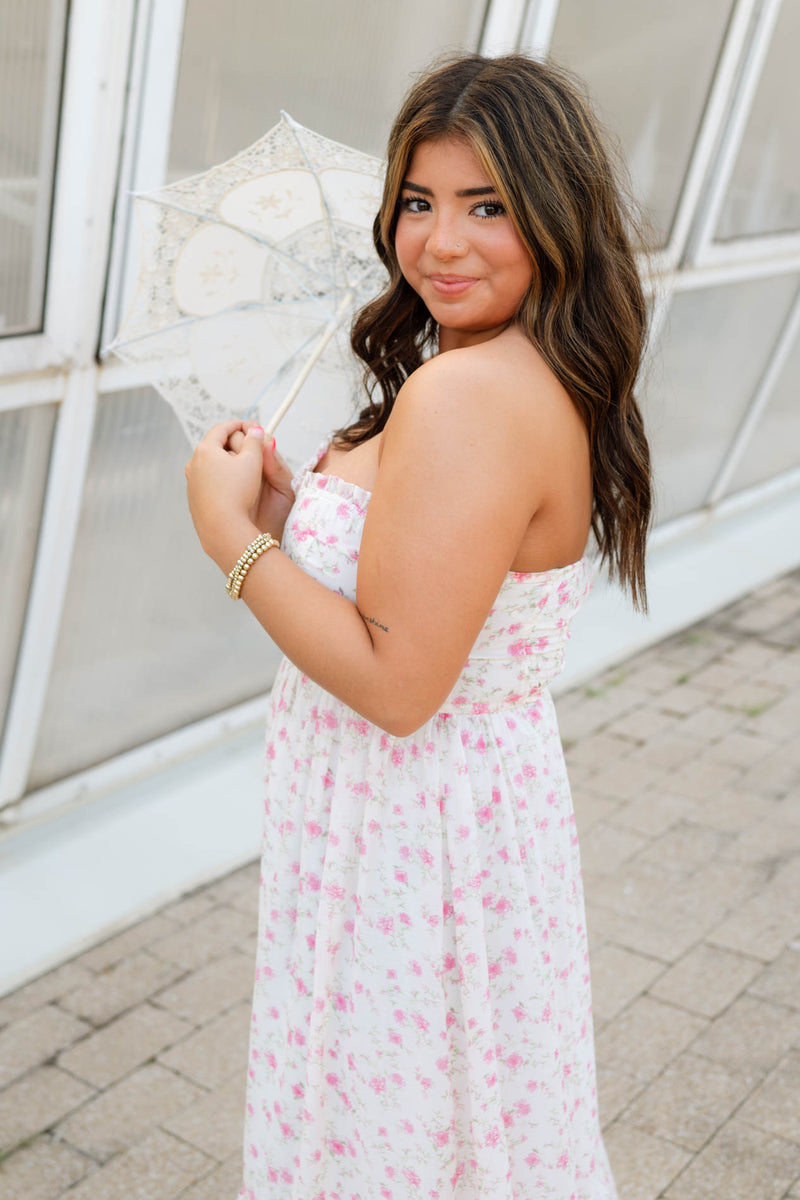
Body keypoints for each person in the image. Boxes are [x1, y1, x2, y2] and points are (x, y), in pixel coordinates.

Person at [185, 51, 650, 1200]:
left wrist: (230, 543)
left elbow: (397, 683)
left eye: (485, 206)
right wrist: (301, 512)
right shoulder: (519, 368)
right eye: (417, 202)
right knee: (457, 1129)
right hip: (460, 820)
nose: (440, 243)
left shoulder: (464, 392)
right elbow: (432, 580)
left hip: (407, 835)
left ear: (553, 212)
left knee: (381, 1144)